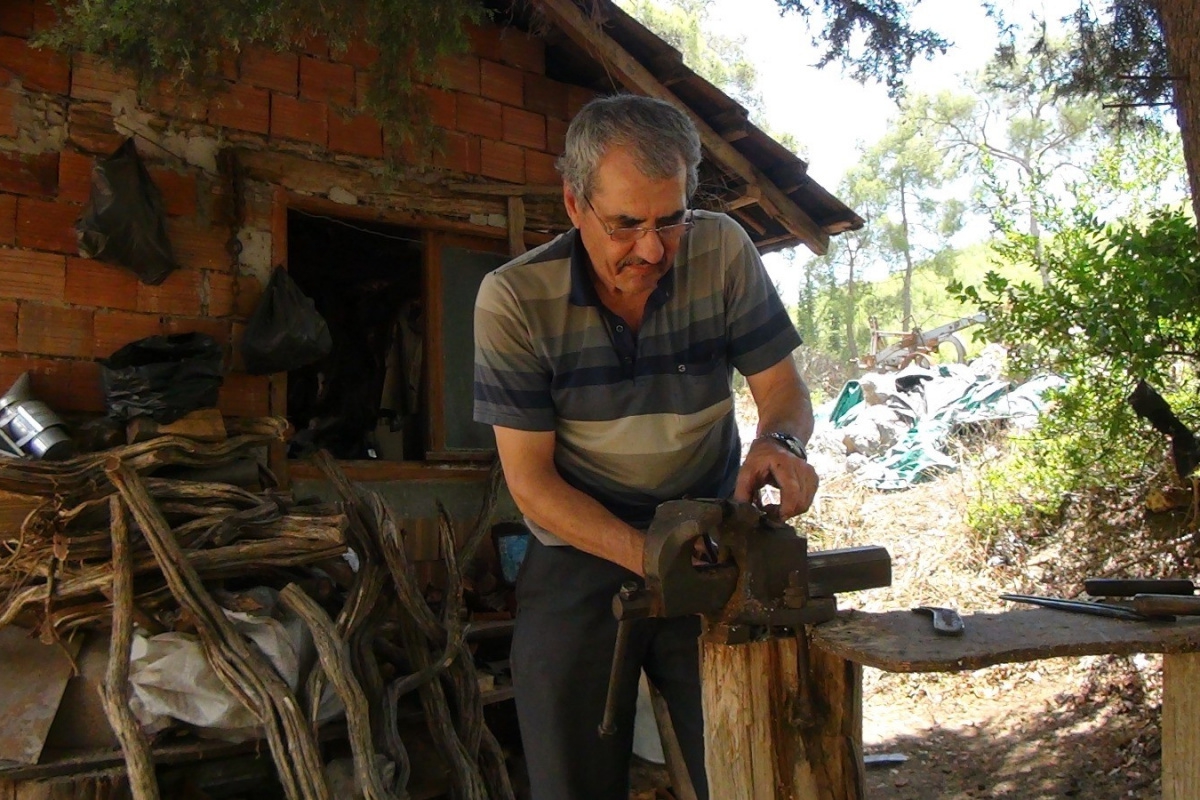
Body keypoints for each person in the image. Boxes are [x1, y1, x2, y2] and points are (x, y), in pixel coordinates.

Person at [473, 94, 819, 800]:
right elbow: (532, 486)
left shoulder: (721, 250)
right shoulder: (512, 300)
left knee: (747, 764)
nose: (653, 249)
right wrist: (647, 557)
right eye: (626, 224)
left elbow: (783, 393)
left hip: (707, 537)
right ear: (574, 204)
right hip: (580, 549)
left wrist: (777, 443)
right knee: (571, 776)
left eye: (670, 220)